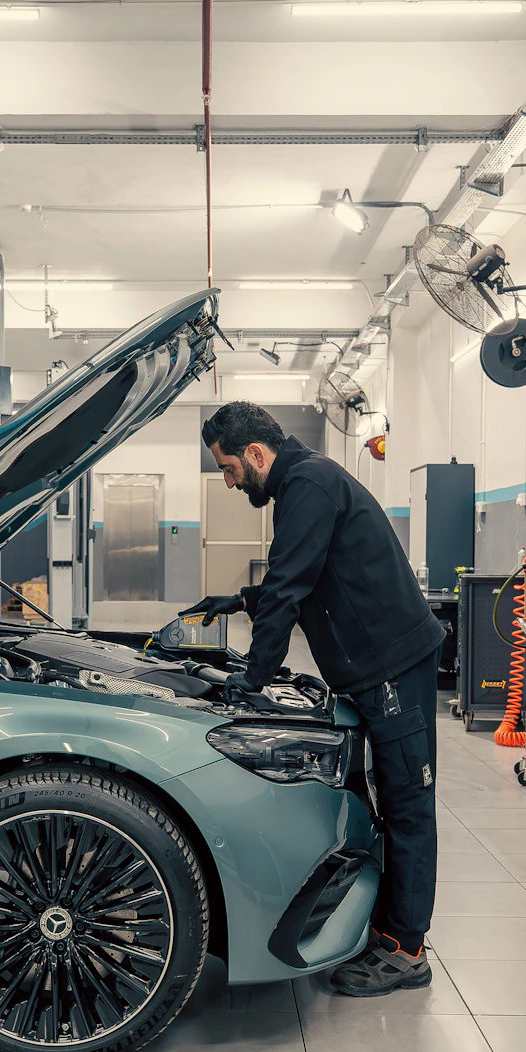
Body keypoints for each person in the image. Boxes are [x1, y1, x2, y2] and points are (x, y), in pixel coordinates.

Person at [186, 402, 446, 996]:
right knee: (388, 799)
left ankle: (406, 949)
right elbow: (310, 576)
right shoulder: (307, 483)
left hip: (392, 667)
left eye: (228, 468)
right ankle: (387, 925)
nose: (228, 482)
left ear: (255, 454)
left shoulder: (309, 484)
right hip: (375, 667)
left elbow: (291, 585)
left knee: (408, 805)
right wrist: (241, 601)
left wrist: (253, 680)